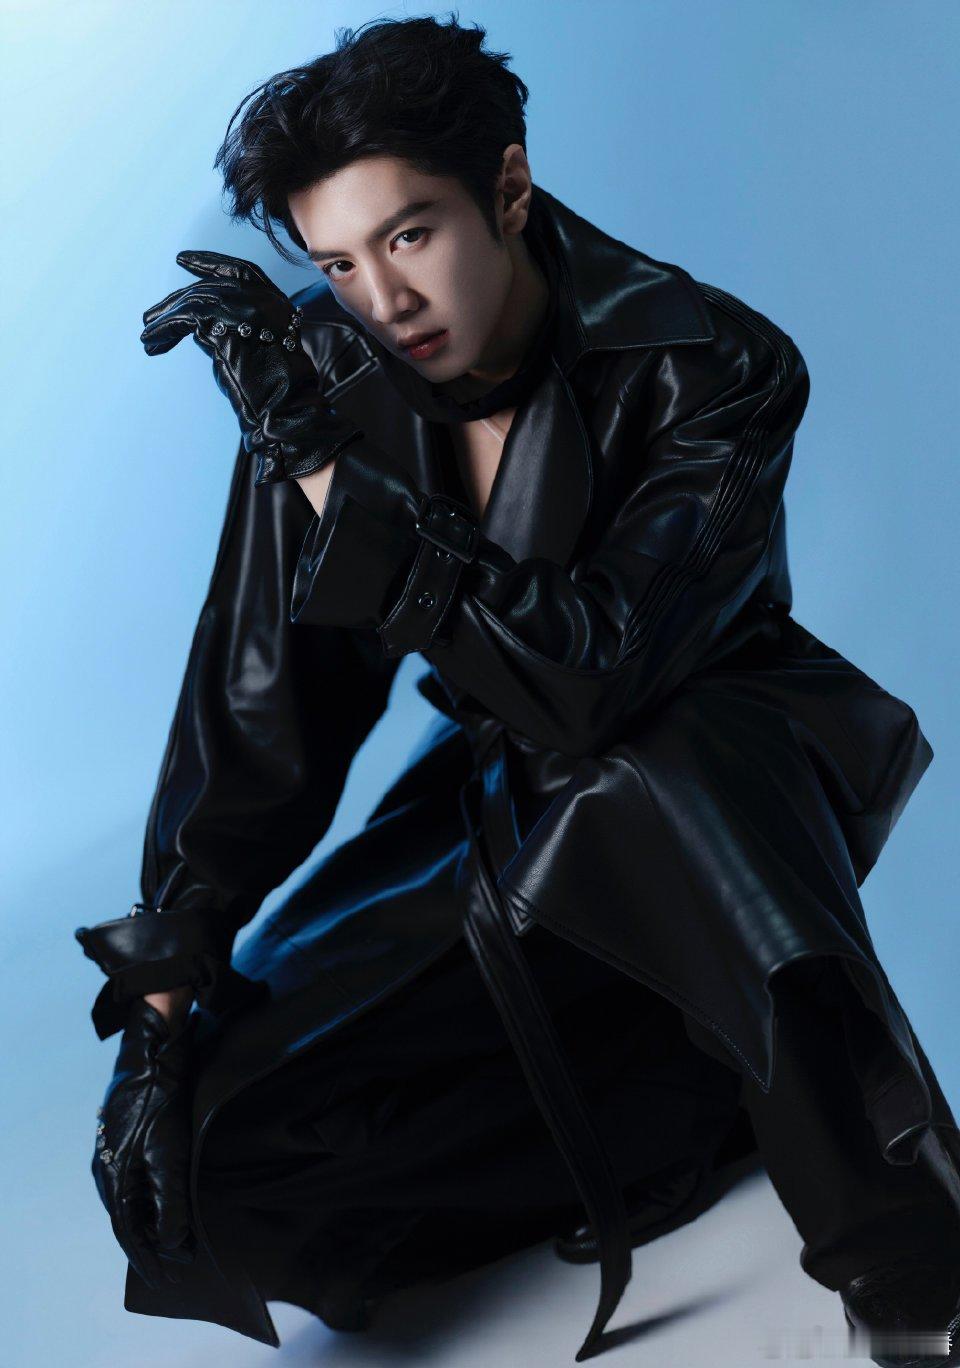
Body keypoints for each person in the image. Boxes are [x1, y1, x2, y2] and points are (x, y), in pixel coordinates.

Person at [74, 14, 960, 1365]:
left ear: (508, 186)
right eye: (338, 264)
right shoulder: (326, 377)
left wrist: (333, 482)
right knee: (211, 1167)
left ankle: (907, 1261)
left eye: (410, 235)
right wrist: (162, 1004)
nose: (384, 302)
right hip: (500, 813)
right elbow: (262, 705)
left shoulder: (711, 362)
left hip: (717, 788)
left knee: (655, 767)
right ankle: (667, 1107)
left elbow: (595, 679)